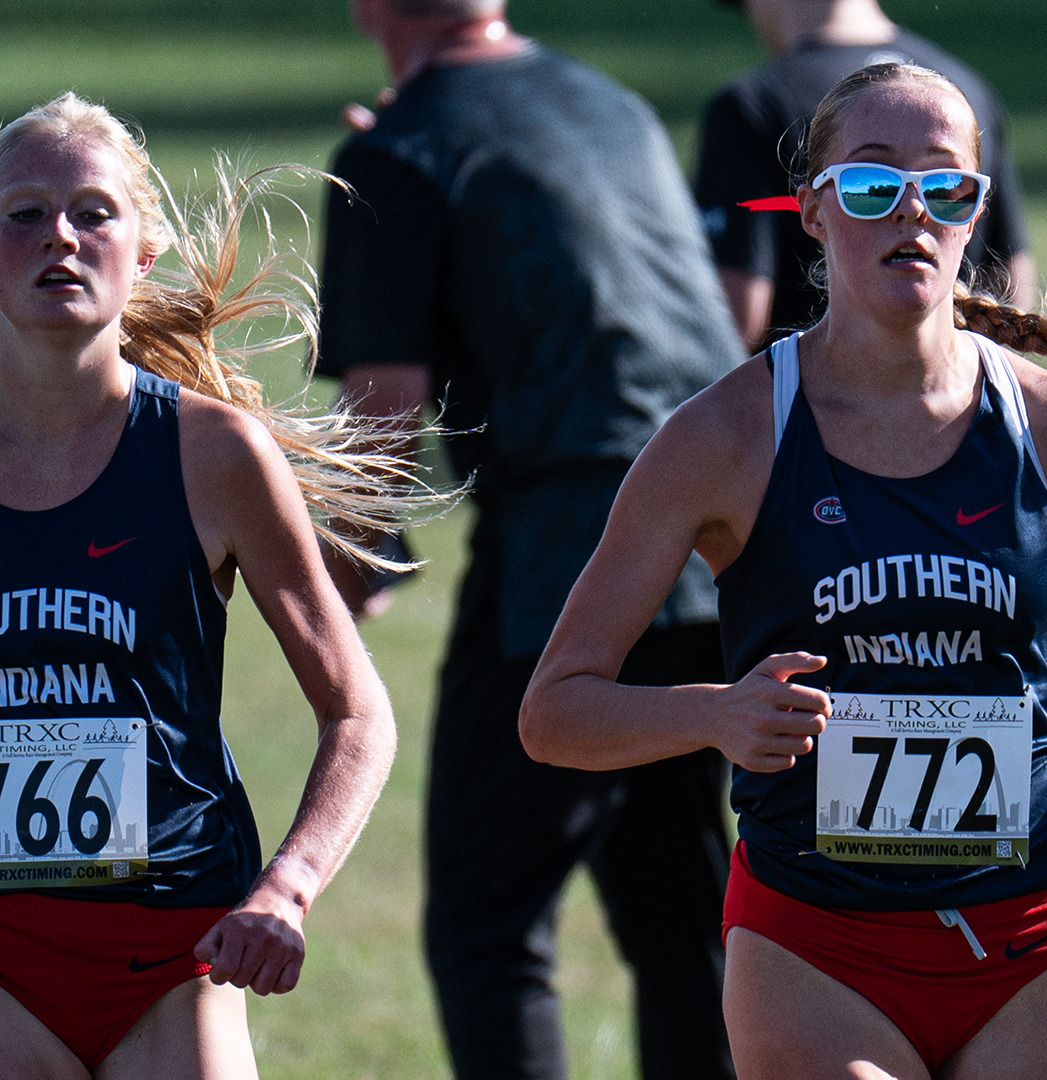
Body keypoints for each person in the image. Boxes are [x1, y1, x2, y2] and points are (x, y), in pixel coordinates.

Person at [521, 62, 1047, 1079]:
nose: (910, 212)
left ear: (976, 213)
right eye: (871, 186)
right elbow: (556, 710)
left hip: (1032, 932)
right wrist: (717, 714)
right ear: (815, 214)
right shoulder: (724, 438)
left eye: (944, 188)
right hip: (818, 948)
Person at [316, 2, 746, 1078]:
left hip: (562, 558)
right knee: (683, 920)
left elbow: (383, 405)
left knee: (487, 924)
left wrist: (342, 571)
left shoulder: (398, 150)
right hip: (714, 542)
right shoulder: (612, 108)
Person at [0, 93, 409, 1078]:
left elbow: (357, 712)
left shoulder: (211, 454)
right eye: (22, 213)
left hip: (177, 947)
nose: (59, 233)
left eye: (93, 211)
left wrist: (287, 890)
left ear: (143, 254)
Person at [694, 0, 1038, 353]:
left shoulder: (753, 104)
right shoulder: (966, 90)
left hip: (801, 400)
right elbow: (1011, 290)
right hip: (960, 396)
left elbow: (734, 321)